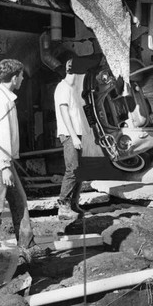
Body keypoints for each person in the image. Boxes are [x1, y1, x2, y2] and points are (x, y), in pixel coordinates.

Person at [0, 59, 45, 262]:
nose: (23, 79)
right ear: (14, 78)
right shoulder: (0, 101)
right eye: (21, 76)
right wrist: (5, 167)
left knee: (18, 200)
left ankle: (27, 244)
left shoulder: (4, 97)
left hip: (2, 160)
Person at [54, 55, 86, 220]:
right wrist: (74, 137)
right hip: (68, 134)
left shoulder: (74, 90)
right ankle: (63, 206)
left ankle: (73, 204)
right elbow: (64, 113)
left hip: (79, 133)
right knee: (72, 169)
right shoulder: (63, 88)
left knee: (79, 171)